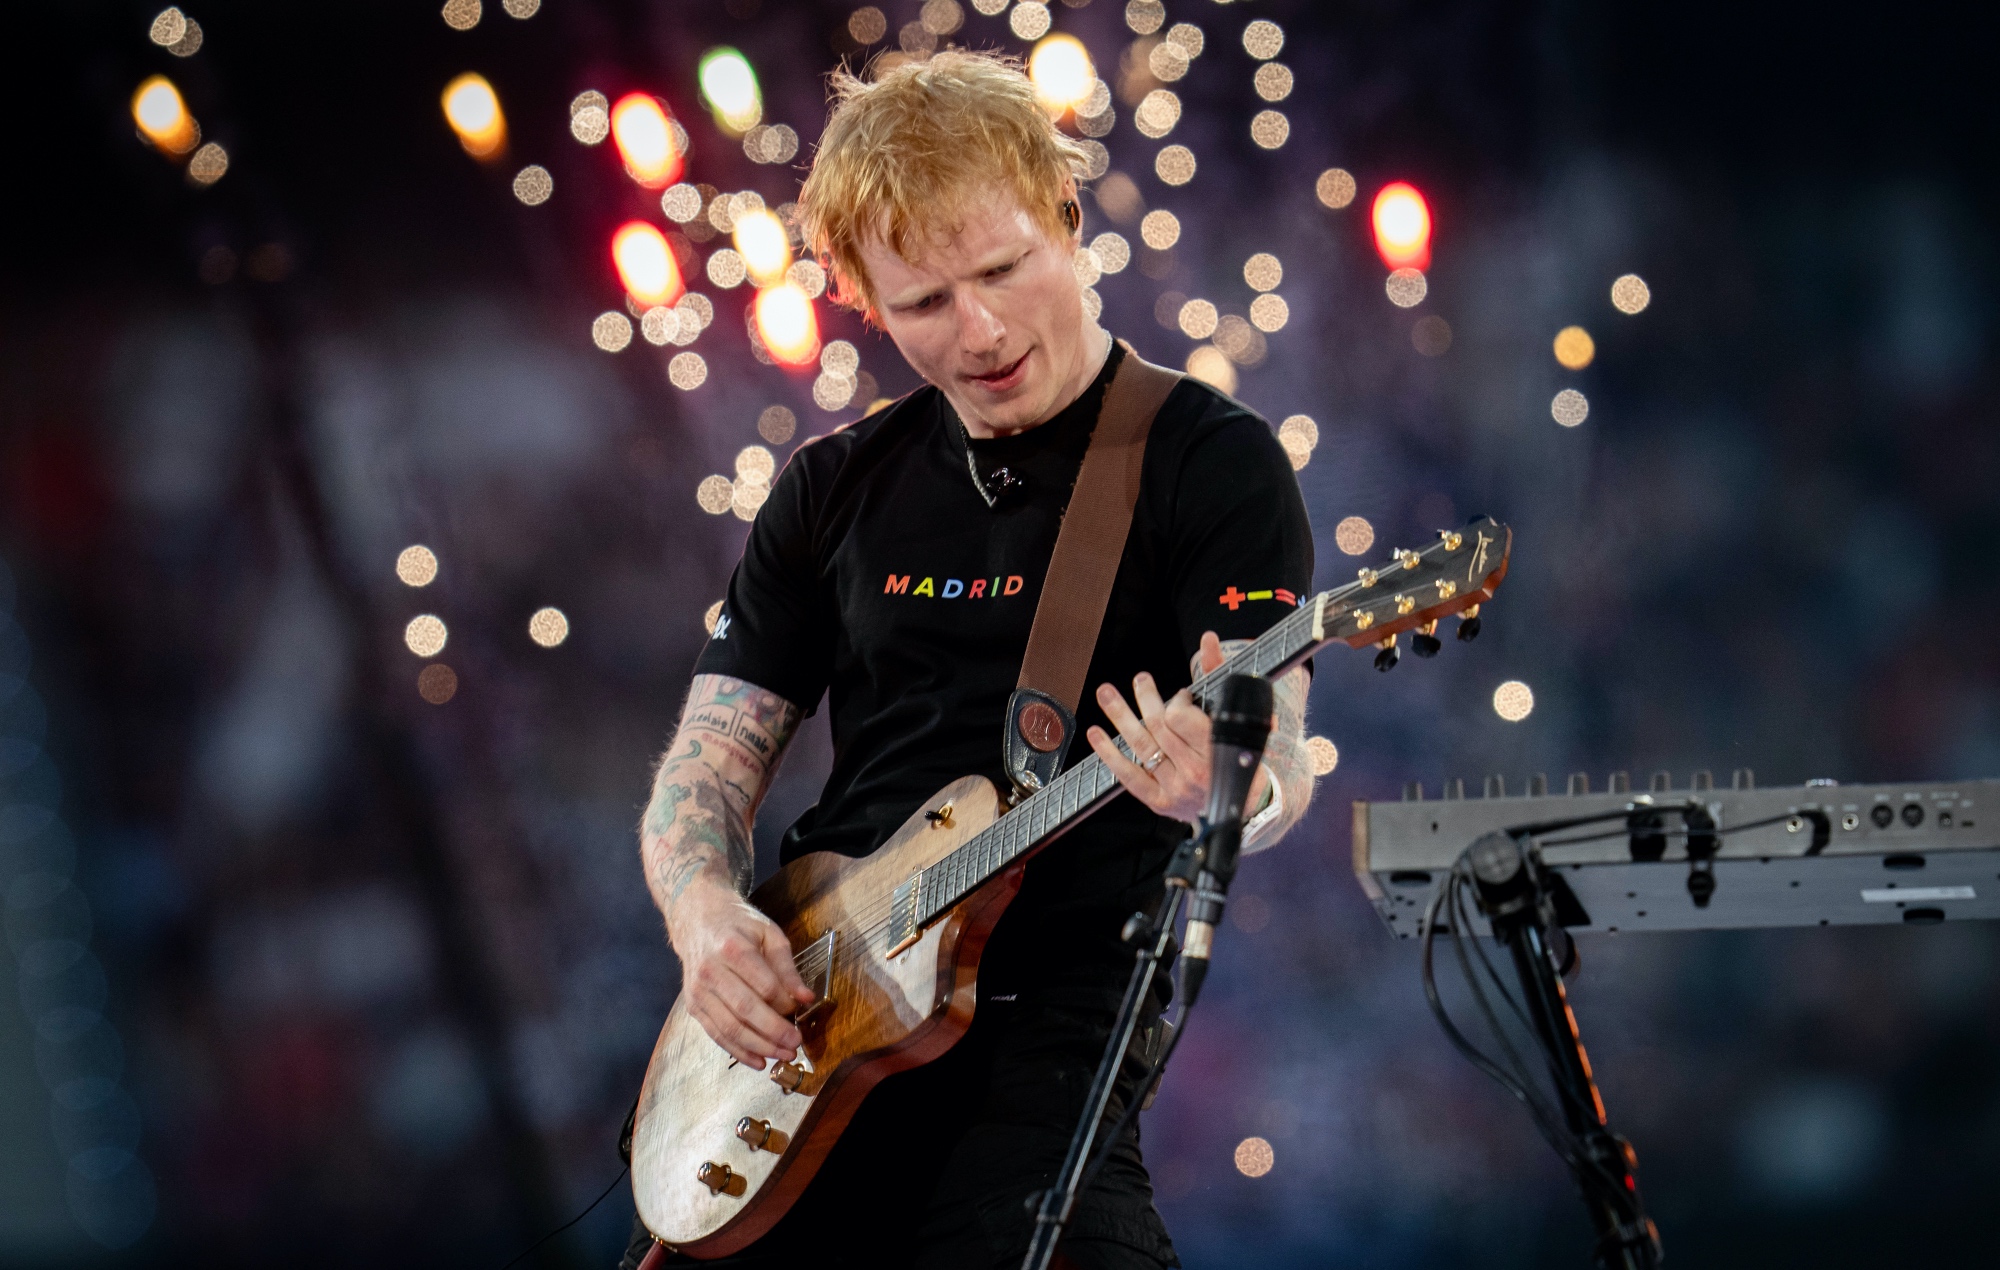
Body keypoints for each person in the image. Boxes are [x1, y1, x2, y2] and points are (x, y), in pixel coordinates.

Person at [623, 51, 1315, 1270]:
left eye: (1003, 270)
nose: (980, 330)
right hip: (804, 1040)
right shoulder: (831, 486)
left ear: (1065, 216)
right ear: (859, 300)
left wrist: (1228, 787)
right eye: (925, 302)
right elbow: (709, 763)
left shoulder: (1208, 461)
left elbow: (1276, 756)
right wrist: (703, 918)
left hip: (1046, 1035)